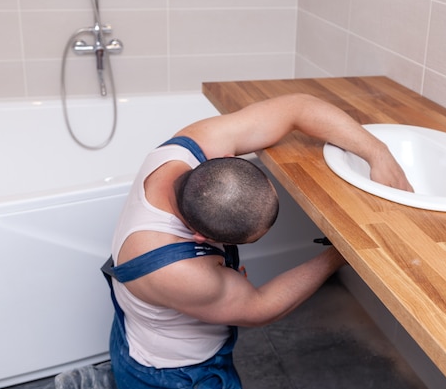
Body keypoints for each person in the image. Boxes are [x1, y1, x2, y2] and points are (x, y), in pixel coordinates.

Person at [101, 93, 413, 389]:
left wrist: (378, 152)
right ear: (200, 237)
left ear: (225, 158)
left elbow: (298, 107)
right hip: (177, 374)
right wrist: (339, 255)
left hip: (141, 328)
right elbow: (261, 307)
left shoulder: (192, 145)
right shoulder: (177, 271)